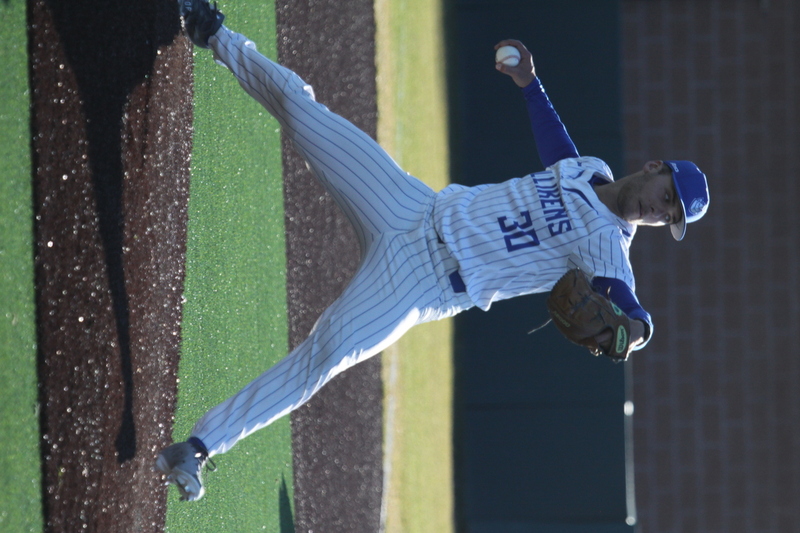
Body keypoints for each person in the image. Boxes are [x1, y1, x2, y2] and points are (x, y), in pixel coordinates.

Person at [157, 0, 710, 501]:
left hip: (423, 282)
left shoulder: (609, 253)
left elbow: (632, 312)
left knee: (326, 353)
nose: (661, 211)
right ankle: (212, 31)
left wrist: (637, 332)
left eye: (670, 216)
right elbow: (558, 149)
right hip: (411, 206)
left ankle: (201, 445)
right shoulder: (593, 170)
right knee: (307, 115)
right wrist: (528, 82)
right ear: (655, 168)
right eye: (667, 197)